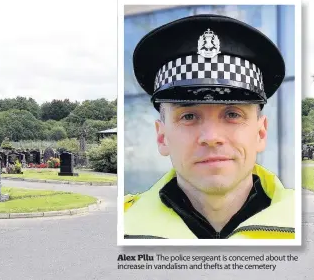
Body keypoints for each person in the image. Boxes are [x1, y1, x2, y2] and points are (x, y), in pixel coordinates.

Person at [124, 14, 295, 239]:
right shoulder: (122, 226)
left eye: (233, 114)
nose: (212, 137)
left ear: (260, 133)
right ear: (161, 137)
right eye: (188, 116)